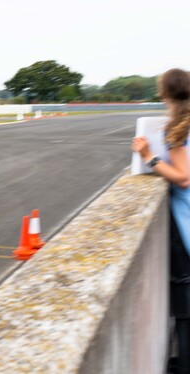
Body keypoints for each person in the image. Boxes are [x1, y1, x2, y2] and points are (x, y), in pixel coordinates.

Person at [132, 68, 190, 374]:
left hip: (186, 226)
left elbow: (183, 178)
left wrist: (148, 156)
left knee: (185, 309)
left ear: (163, 94)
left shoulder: (177, 129)